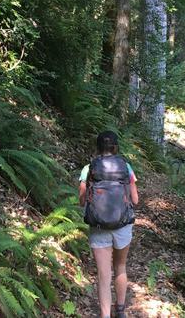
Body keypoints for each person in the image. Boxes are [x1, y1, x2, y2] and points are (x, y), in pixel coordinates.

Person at [78, 131, 139, 318]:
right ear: (115, 147)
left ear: (98, 147)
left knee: (104, 275)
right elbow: (135, 200)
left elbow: (82, 201)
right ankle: (120, 310)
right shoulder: (126, 167)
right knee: (120, 266)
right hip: (122, 225)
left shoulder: (88, 168)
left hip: (98, 227)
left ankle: (105, 315)